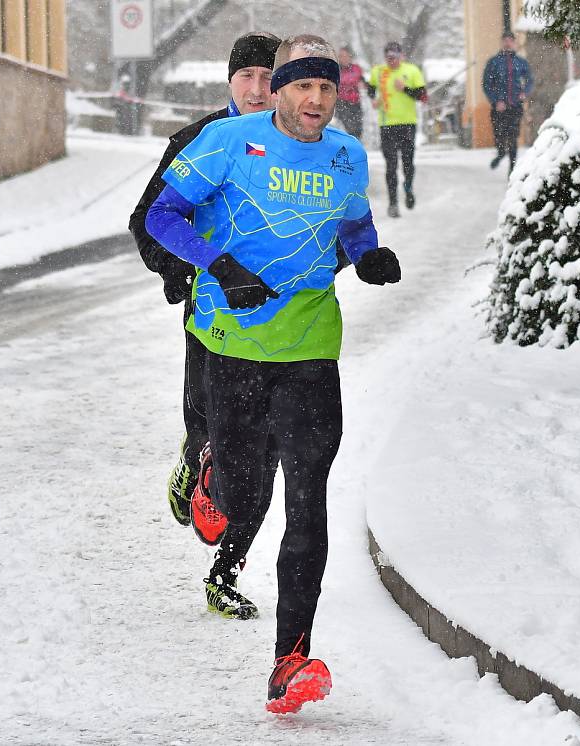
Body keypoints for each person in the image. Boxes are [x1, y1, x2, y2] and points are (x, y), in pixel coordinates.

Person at [145, 33, 401, 713]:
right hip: (232, 345)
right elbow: (160, 216)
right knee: (241, 491)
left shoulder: (347, 156)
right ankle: (209, 468)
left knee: (307, 500)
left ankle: (292, 659)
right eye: (302, 87)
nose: (316, 100)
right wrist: (218, 265)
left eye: (327, 88)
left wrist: (368, 254)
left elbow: (354, 224)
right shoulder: (227, 143)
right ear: (279, 90)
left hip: (313, 348)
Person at [128, 31, 282, 620]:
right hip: (212, 315)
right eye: (246, 76)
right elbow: (148, 219)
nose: (257, 88)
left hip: (278, 322)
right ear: (230, 81)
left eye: (268, 77)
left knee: (264, 444)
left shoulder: (296, 145)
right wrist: (181, 275)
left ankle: (227, 567)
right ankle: (195, 461)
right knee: (212, 429)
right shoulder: (197, 141)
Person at [367, 41, 427, 218]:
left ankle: (408, 189)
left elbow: (422, 95)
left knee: (408, 162)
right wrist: (374, 99)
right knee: (391, 165)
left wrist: (405, 89)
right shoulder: (379, 72)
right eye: (388, 58)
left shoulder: (411, 71)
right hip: (386, 125)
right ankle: (393, 203)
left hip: (407, 123)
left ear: (401, 56)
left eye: (394, 57)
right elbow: (370, 90)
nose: (391, 61)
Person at [482, 31, 534, 174]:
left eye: (510, 40)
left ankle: (512, 169)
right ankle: (500, 154)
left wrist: (525, 92)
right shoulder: (493, 62)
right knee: (499, 136)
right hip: (499, 108)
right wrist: (496, 100)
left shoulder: (520, 62)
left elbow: (530, 80)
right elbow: (486, 84)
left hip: (515, 106)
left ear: (515, 43)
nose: (508, 43)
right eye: (505, 40)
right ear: (501, 42)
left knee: (513, 137)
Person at [334, 45, 365, 140]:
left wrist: (363, 85)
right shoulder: (335, 69)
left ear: (350, 56)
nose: (343, 58)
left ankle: (355, 148)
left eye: (345, 56)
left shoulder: (356, 69)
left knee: (356, 131)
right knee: (345, 131)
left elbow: (363, 82)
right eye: (340, 56)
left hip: (355, 103)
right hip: (341, 103)